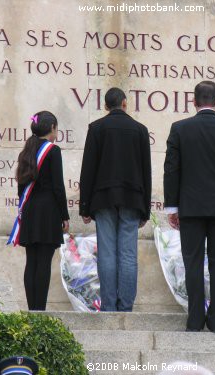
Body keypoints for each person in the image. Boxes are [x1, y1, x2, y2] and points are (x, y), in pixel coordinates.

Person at [164, 81, 215, 332]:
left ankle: (194, 320)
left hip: (190, 207)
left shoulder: (180, 129)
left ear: (194, 101)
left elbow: (172, 170)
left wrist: (172, 207)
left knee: (192, 262)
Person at [79, 87, 152, 312]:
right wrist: (145, 209)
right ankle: (126, 305)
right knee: (128, 255)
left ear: (106, 106)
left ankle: (109, 306)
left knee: (107, 253)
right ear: (124, 103)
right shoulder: (140, 130)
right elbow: (145, 171)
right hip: (132, 198)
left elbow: (88, 169)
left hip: (103, 198)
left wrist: (84, 205)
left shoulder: (97, 128)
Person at [11, 111, 69, 311]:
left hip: (29, 212)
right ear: (52, 127)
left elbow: (21, 188)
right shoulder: (53, 151)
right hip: (48, 213)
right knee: (43, 263)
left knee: (32, 261)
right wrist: (65, 215)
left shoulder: (27, 151)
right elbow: (58, 187)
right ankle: (40, 311)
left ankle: (31, 309)